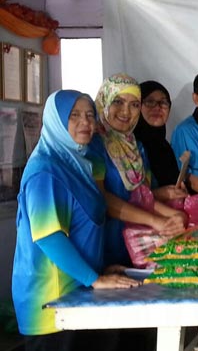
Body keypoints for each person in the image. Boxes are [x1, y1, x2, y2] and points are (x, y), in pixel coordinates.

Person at [12, 90, 140, 351]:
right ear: (56, 122)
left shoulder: (78, 163)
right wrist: (95, 279)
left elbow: (84, 227)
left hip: (79, 289)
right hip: (52, 299)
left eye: (90, 115)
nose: (86, 123)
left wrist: (99, 271)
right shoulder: (45, 170)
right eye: (74, 116)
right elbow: (49, 236)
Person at [89, 73, 186, 267]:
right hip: (101, 246)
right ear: (103, 101)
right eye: (118, 101)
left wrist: (175, 216)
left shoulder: (136, 146)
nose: (126, 111)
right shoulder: (93, 145)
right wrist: (155, 221)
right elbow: (101, 198)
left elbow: (143, 196)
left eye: (134, 104)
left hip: (135, 246)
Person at [133, 80, 188, 202]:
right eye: (150, 102)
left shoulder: (164, 146)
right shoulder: (129, 146)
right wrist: (158, 194)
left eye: (163, 102)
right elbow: (122, 197)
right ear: (137, 106)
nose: (157, 107)